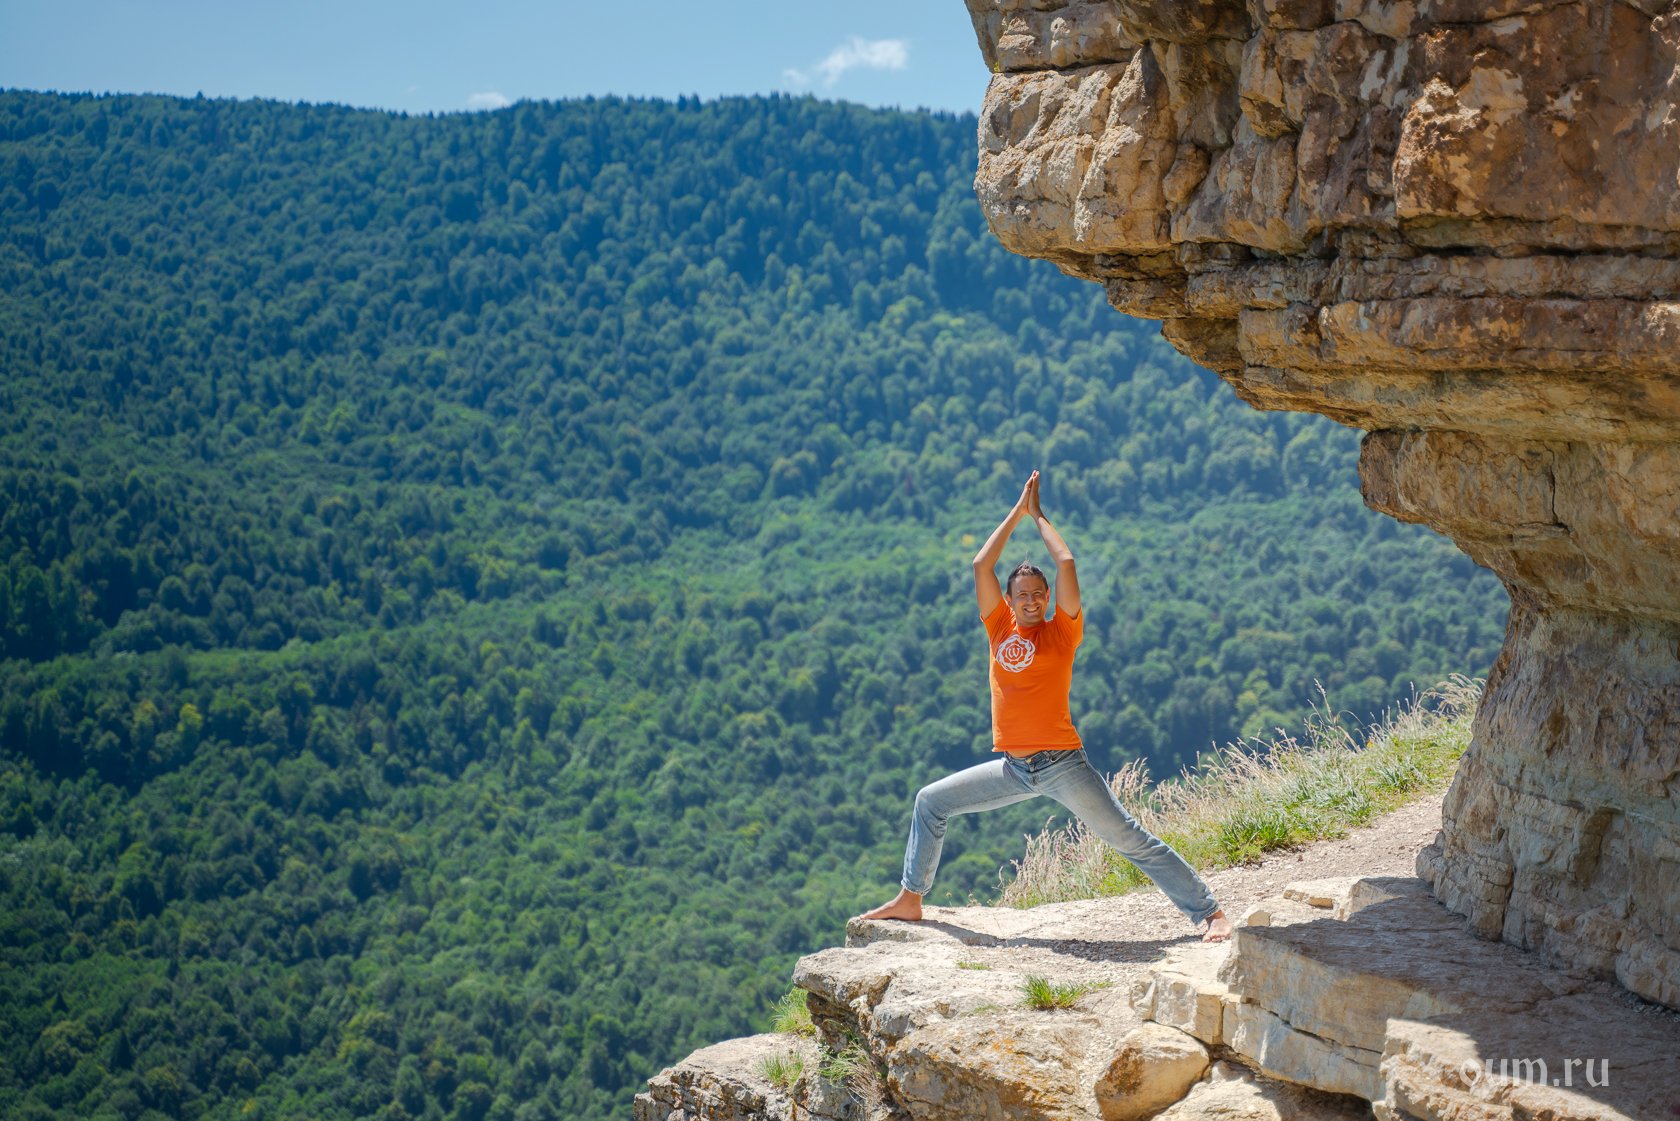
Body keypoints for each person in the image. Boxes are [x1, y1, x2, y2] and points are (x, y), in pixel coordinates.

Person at [859, 470, 1233, 942]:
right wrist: (1016, 511)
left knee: (1127, 838)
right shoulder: (999, 628)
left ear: (1048, 598)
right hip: (1014, 768)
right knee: (930, 801)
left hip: (1062, 764)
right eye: (1022, 595)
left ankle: (1210, 913)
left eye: (1039, 593)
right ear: (1009, 601)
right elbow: (981, 565)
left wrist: (1039, 518)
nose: (1031, 600)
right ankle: (911, 898)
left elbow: (1068, 561)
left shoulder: (1062, 630)